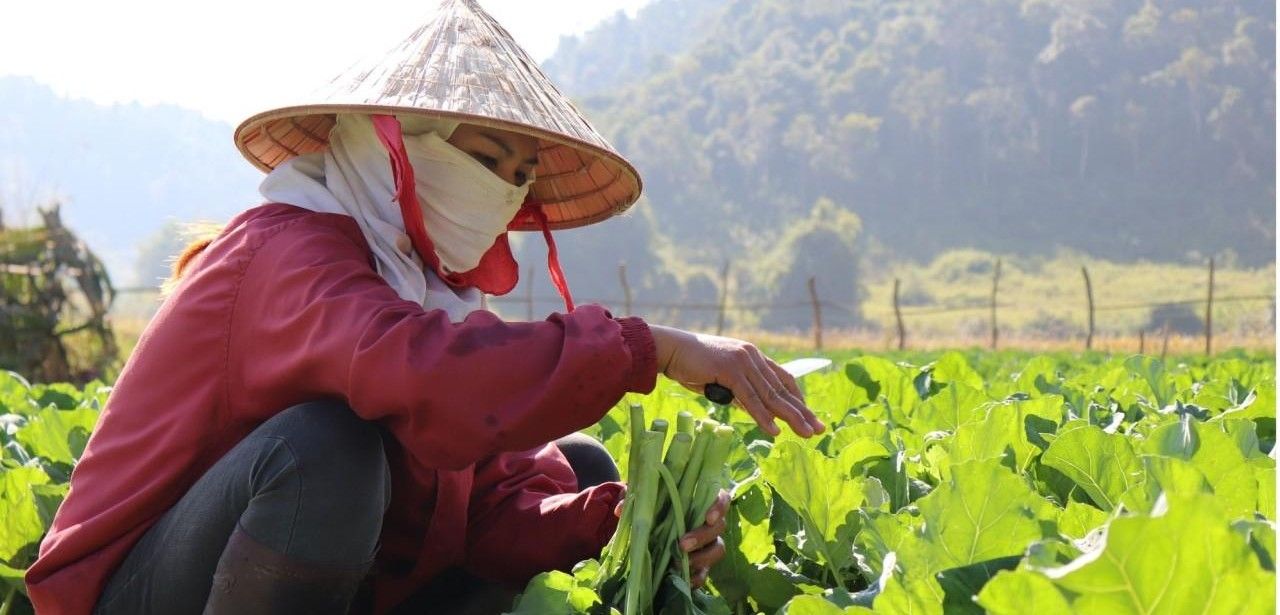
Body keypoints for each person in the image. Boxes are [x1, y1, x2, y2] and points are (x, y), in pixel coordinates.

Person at [23, 1, 825, 613]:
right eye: (484, 156)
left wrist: (628, 525)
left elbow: (490, 503)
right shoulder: (286, 254)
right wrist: (657, 348)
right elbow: (421, 374)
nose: (504, 189)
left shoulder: (426, 289)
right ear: (390, 142)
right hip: (128, 591)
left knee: (581, 467)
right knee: (323, 451)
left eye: (518, 173)